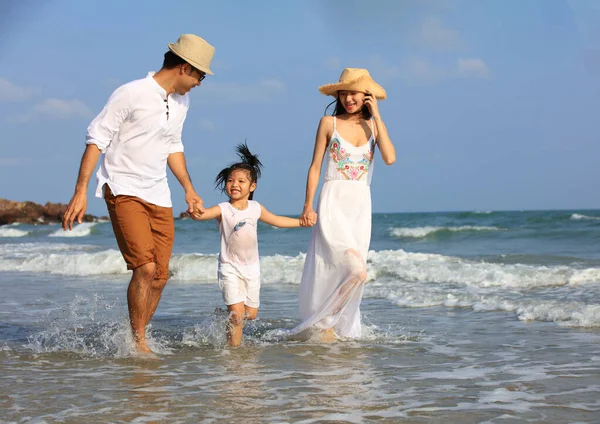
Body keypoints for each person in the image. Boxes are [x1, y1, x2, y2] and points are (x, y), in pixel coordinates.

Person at [61, 34, 215, 354]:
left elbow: (174, 146)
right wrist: (81, 192)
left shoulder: (182, 102)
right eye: (200, 75)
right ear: (185, 68)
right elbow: (96, 140)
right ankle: (138, 342)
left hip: (159, 193)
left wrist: (189, 189)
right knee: (144, 268)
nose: (201, 82)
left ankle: (135, 336)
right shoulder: (131, 93)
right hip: (123, 188)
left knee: (160, 276)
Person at [293, 68, 396, 341]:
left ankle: (330, 325)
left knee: (350, 270)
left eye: (355, 93)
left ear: (367, 95)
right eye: (344, 92)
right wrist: (308, 205)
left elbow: (389, 157)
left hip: (360, 207)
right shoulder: (329, 123)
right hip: (333, 201)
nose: (349, 98)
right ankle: (326, 321)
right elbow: (315, 166)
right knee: (357, 271)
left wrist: (378, 117)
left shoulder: (374, 126)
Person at [190, 143, 309, 347]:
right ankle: (233, 352)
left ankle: (226, 316)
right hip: (230, 267)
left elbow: (278, 220)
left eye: (241, 181)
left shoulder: (255, 208)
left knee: (250, 315)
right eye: (230, 180)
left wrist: (301, 222)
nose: (234, 184)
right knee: (237, 317)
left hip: (252, 269)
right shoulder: (223, 208)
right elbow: (205, 214)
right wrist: (196, 210)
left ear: (252, 186)